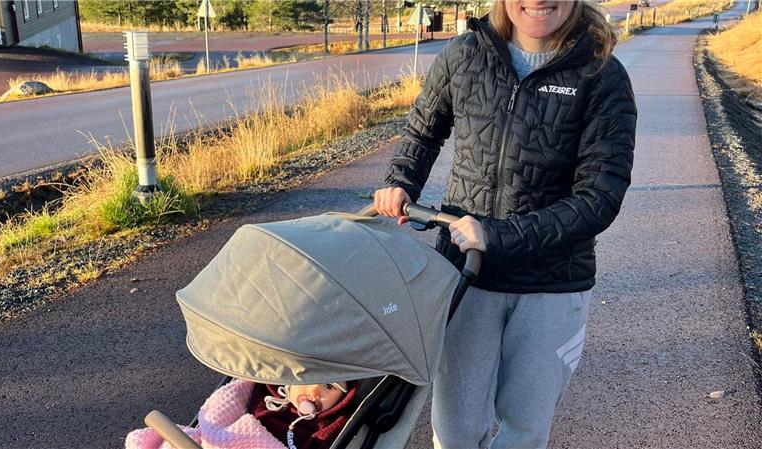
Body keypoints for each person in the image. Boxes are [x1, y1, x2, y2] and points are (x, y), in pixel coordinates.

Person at [375, 1, 637, 448]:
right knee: (454, 432)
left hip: (552, 286)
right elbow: (422, 130)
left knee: (523, 430)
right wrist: (401, 180)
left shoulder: (602, 75)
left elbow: (598, 199)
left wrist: (496, 236)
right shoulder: (464, 54)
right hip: (465, 278)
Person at [125, 380, 357, 449]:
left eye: (329, 386)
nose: (314, 391)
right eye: (307, 378)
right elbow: (221, 413)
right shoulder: (263, 391)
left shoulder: (327, 427)